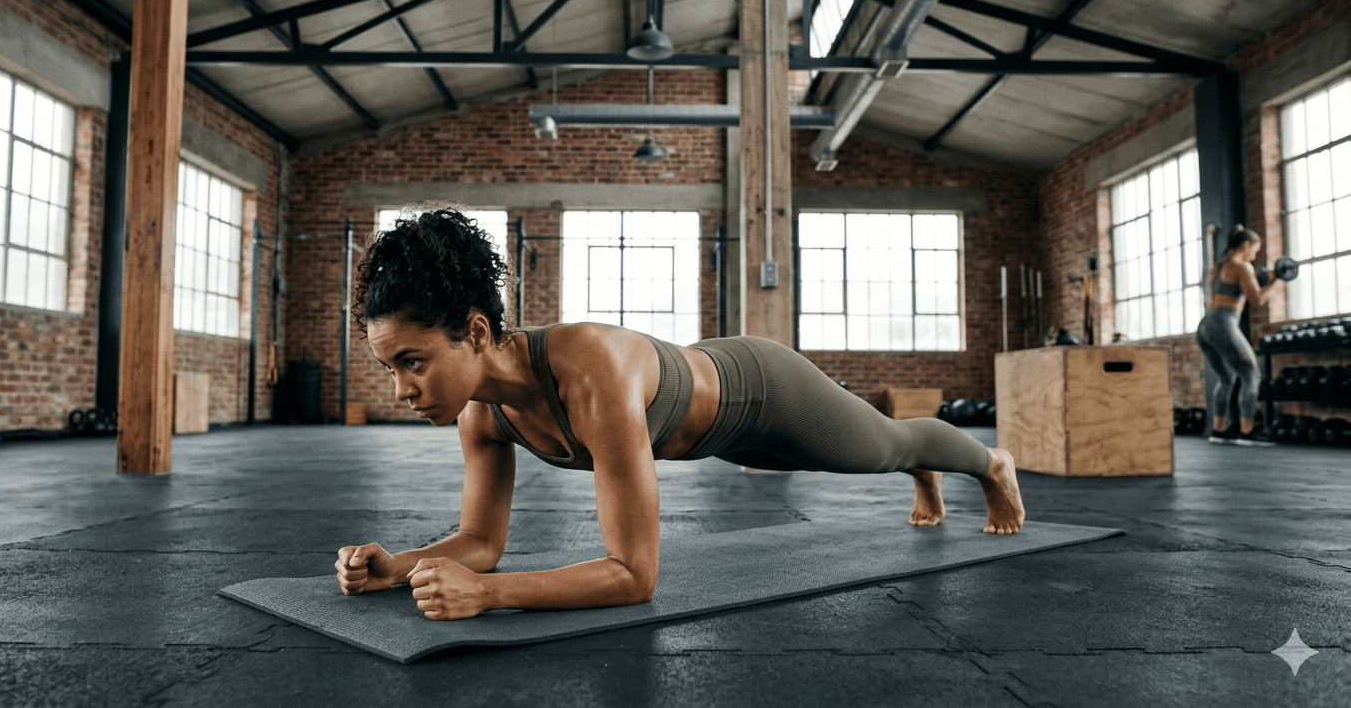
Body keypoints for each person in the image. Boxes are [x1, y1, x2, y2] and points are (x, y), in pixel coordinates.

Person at [334, 209, 1027, 620]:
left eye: (413, 361)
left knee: (886, 445)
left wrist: (486, 596)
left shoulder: (590, 373)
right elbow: (480, 543)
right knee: (885, 450)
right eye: (389, 367)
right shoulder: (482, 417)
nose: (400, 389)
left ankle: (989, 464)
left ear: (477, 334)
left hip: (759, 389)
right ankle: (922, 470)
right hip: (718, 438)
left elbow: (634, 577)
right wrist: (398, 567)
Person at [1196, 225, 1281, 445]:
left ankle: (1218, 430)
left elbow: (1234, 290)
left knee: (1227, 377)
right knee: (1251, 374)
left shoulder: (1219, 266)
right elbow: (1257, 301)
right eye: (1254, 250)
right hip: (1223, 323)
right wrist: (1276, 279)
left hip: (1205, 326)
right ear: (1245, 246)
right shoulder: (1242, 266)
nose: (1254, 255)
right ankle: (1247, 432)